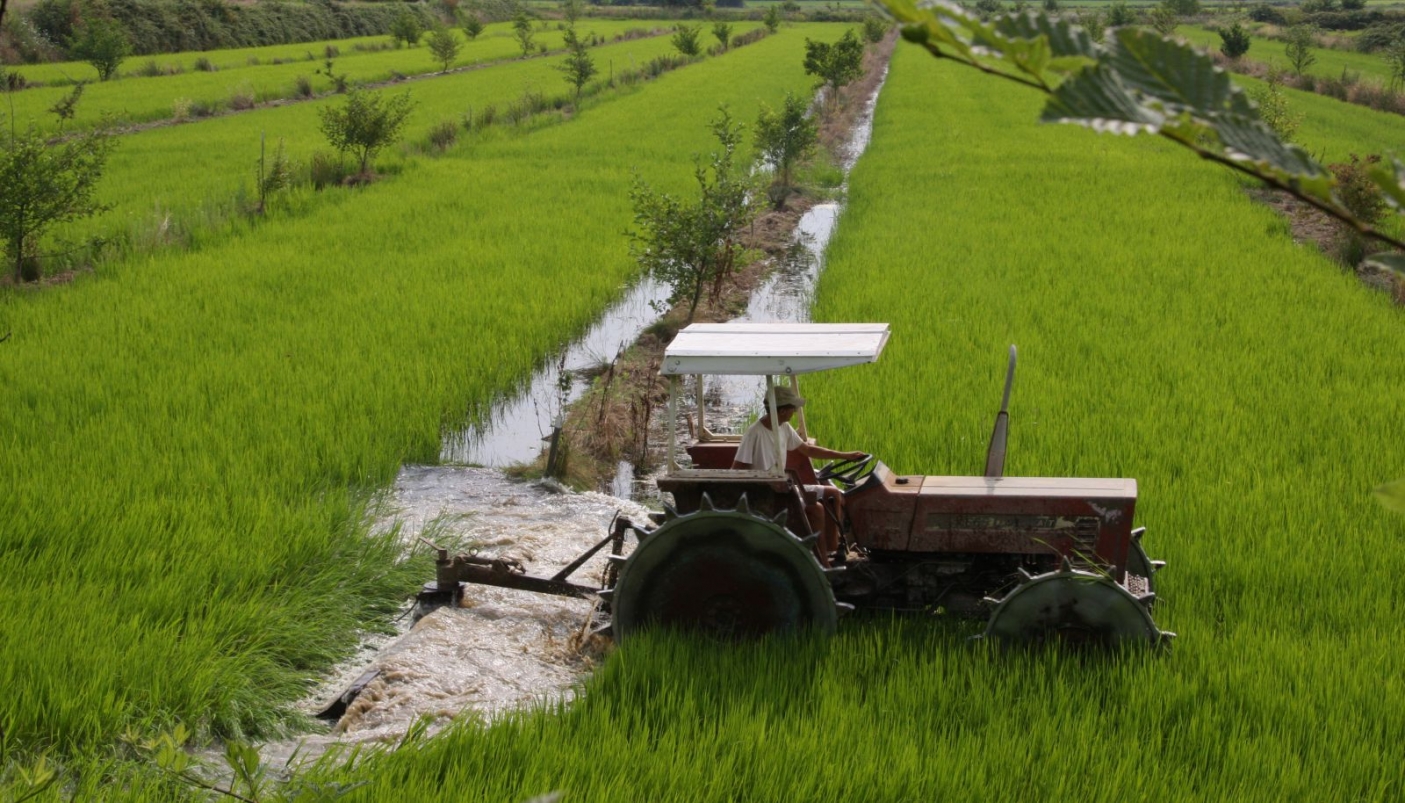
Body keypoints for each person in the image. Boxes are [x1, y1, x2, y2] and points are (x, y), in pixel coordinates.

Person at [730, 385, 866, 567]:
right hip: (768, 494)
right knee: (816, 509)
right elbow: (736, 471)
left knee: (834, 494)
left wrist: (845, 455)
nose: (795, 411)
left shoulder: (784, 427)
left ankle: (833, 551)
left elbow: (807, 449)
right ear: (783, 410)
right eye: (793, 408)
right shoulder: (754, 434)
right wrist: (767, 483)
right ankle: (822, 564)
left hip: (786, 487)